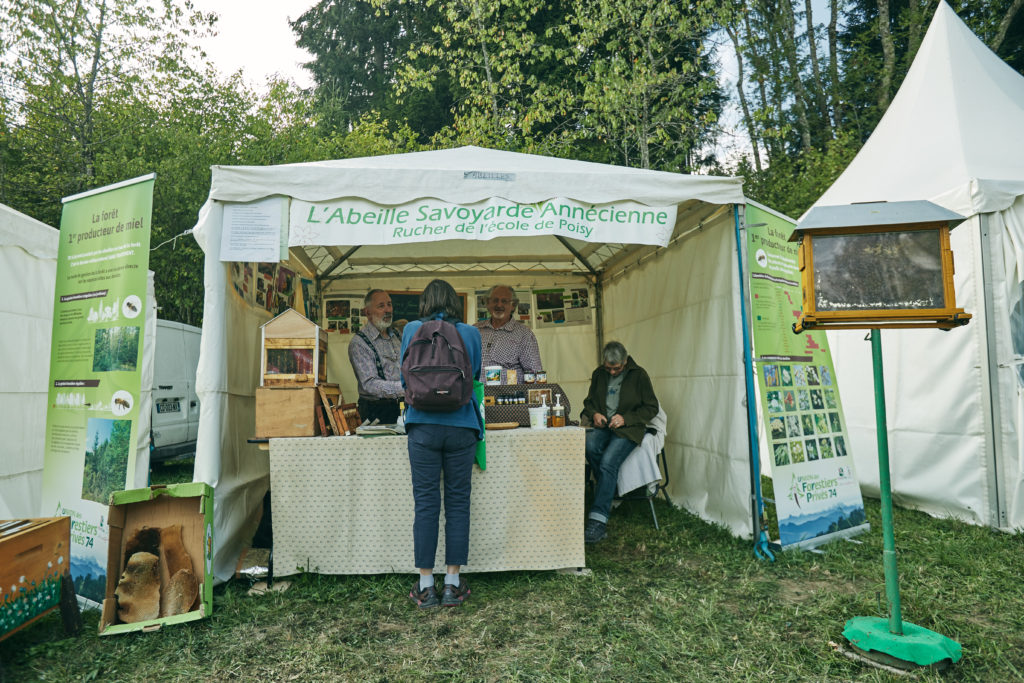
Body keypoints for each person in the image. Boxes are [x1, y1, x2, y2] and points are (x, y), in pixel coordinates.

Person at [401, 279, 483, 609]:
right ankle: (451, 583)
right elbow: (474, 375)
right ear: (455, 302)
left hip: (421, 426)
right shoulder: (472, 333)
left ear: (424, 302)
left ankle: (425, 586)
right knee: (458, 503)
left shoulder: (410, 329)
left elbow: (405, 378)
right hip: (462, 425)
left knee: (426, 503)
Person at [580, 341, 659, 544]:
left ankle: (598, 521)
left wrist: (626, 418)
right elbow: (589, 403)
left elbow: (651, 407)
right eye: (609, 368)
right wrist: (595, 413)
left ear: (625, 361)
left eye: (617, 368)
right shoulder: (599, 374)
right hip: (604, 425)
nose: (613, 372)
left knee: (608, 462)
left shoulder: (639, 375)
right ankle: (611, 490)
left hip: (628, 429)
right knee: (588, 446)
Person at [348, 289, 404, 423]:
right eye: (381, 306)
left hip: (402, 407)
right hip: (375, 411)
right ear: (367, 312)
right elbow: (369, 384)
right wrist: (406, 388)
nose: (388, 310)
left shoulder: (398, 336)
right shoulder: (359, 343)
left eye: (389, 304)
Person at [475, 285, 542, 376]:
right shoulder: (475, 330)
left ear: (513, 305)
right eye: (495, 300)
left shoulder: (524, 334)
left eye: (504, 301)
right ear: (487, 303)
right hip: (475, 390)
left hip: (507, 390)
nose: (499, 305)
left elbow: (534, 373)